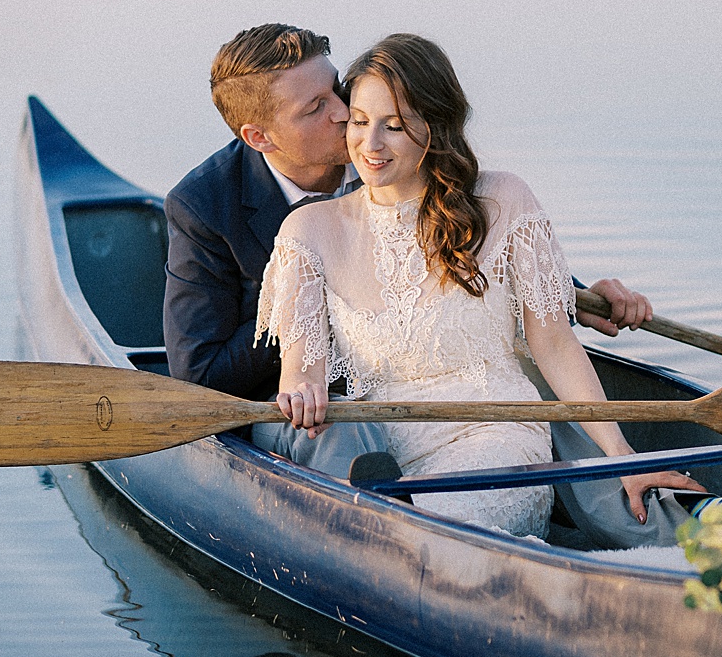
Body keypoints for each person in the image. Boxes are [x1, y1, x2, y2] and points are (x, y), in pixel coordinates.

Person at [163, 24, 656, 486]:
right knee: (332, 435)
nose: (343, 113)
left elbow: (462, 250)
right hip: (327, 412)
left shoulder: (384, 143)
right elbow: (200, 374)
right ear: (260, 137)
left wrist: (573, 295)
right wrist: (307, 306)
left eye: (338, 90)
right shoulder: (205, 206)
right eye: (316, 108)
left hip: (478, 410)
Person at [255, 33, 701, 537]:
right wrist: (300, 392)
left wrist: (623, 458)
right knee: (384, 523)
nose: (370, 144)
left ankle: (709, 520)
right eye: (359, 122)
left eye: (394, 126)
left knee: (440, 534)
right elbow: (302, 369)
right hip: (379, 444)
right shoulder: (307, 232)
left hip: (496, 435)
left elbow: (555, 345)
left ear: (435, 127)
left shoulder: (503, 201)